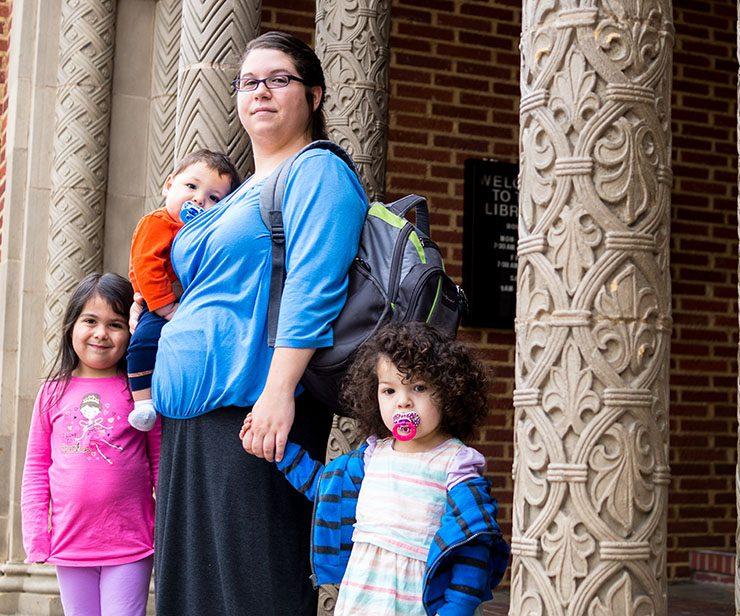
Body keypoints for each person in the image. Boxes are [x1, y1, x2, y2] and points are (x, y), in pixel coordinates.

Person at [146, 31, 368, 615]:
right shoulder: (240, 191)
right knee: (193, 597)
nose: (260, 92)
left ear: (314, 94)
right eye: (249, 82)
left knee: (251, 592)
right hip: (195, 420)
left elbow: (315, 285)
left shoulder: (317, 172)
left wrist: (277, 393)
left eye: (278, 79)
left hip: (254, 414)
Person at [242, 323, 510, 616]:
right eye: (389, 390)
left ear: (449, 392)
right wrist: (280, 452)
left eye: (419, 387)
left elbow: (473, 543)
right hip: (360, 600)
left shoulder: (456, 464)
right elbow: (326, 489)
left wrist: (456, 609)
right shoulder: (372, 456)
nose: (403, 401)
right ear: (374, 395)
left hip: (417, 604)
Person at [20, 273, 161, 616]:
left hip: (130, 541)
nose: (101, 333)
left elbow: (160, 462)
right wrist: (37, 535)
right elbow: (36, 468)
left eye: (115, 324)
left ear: (131, 331)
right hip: (72, 543)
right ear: (71, 326)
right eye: (90, 321)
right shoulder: (51, 393)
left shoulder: (139, 391)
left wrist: (168, 527)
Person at [126, 149, 240, 432]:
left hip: (190, 305)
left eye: (214, 198)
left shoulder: (207, 234)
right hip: (161, 304)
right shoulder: (158, 223)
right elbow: (147, 265)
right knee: (143, 342)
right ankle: (142, 402)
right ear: (168, 186)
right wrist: (167, 308)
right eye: (191, 186)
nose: (199, 198)